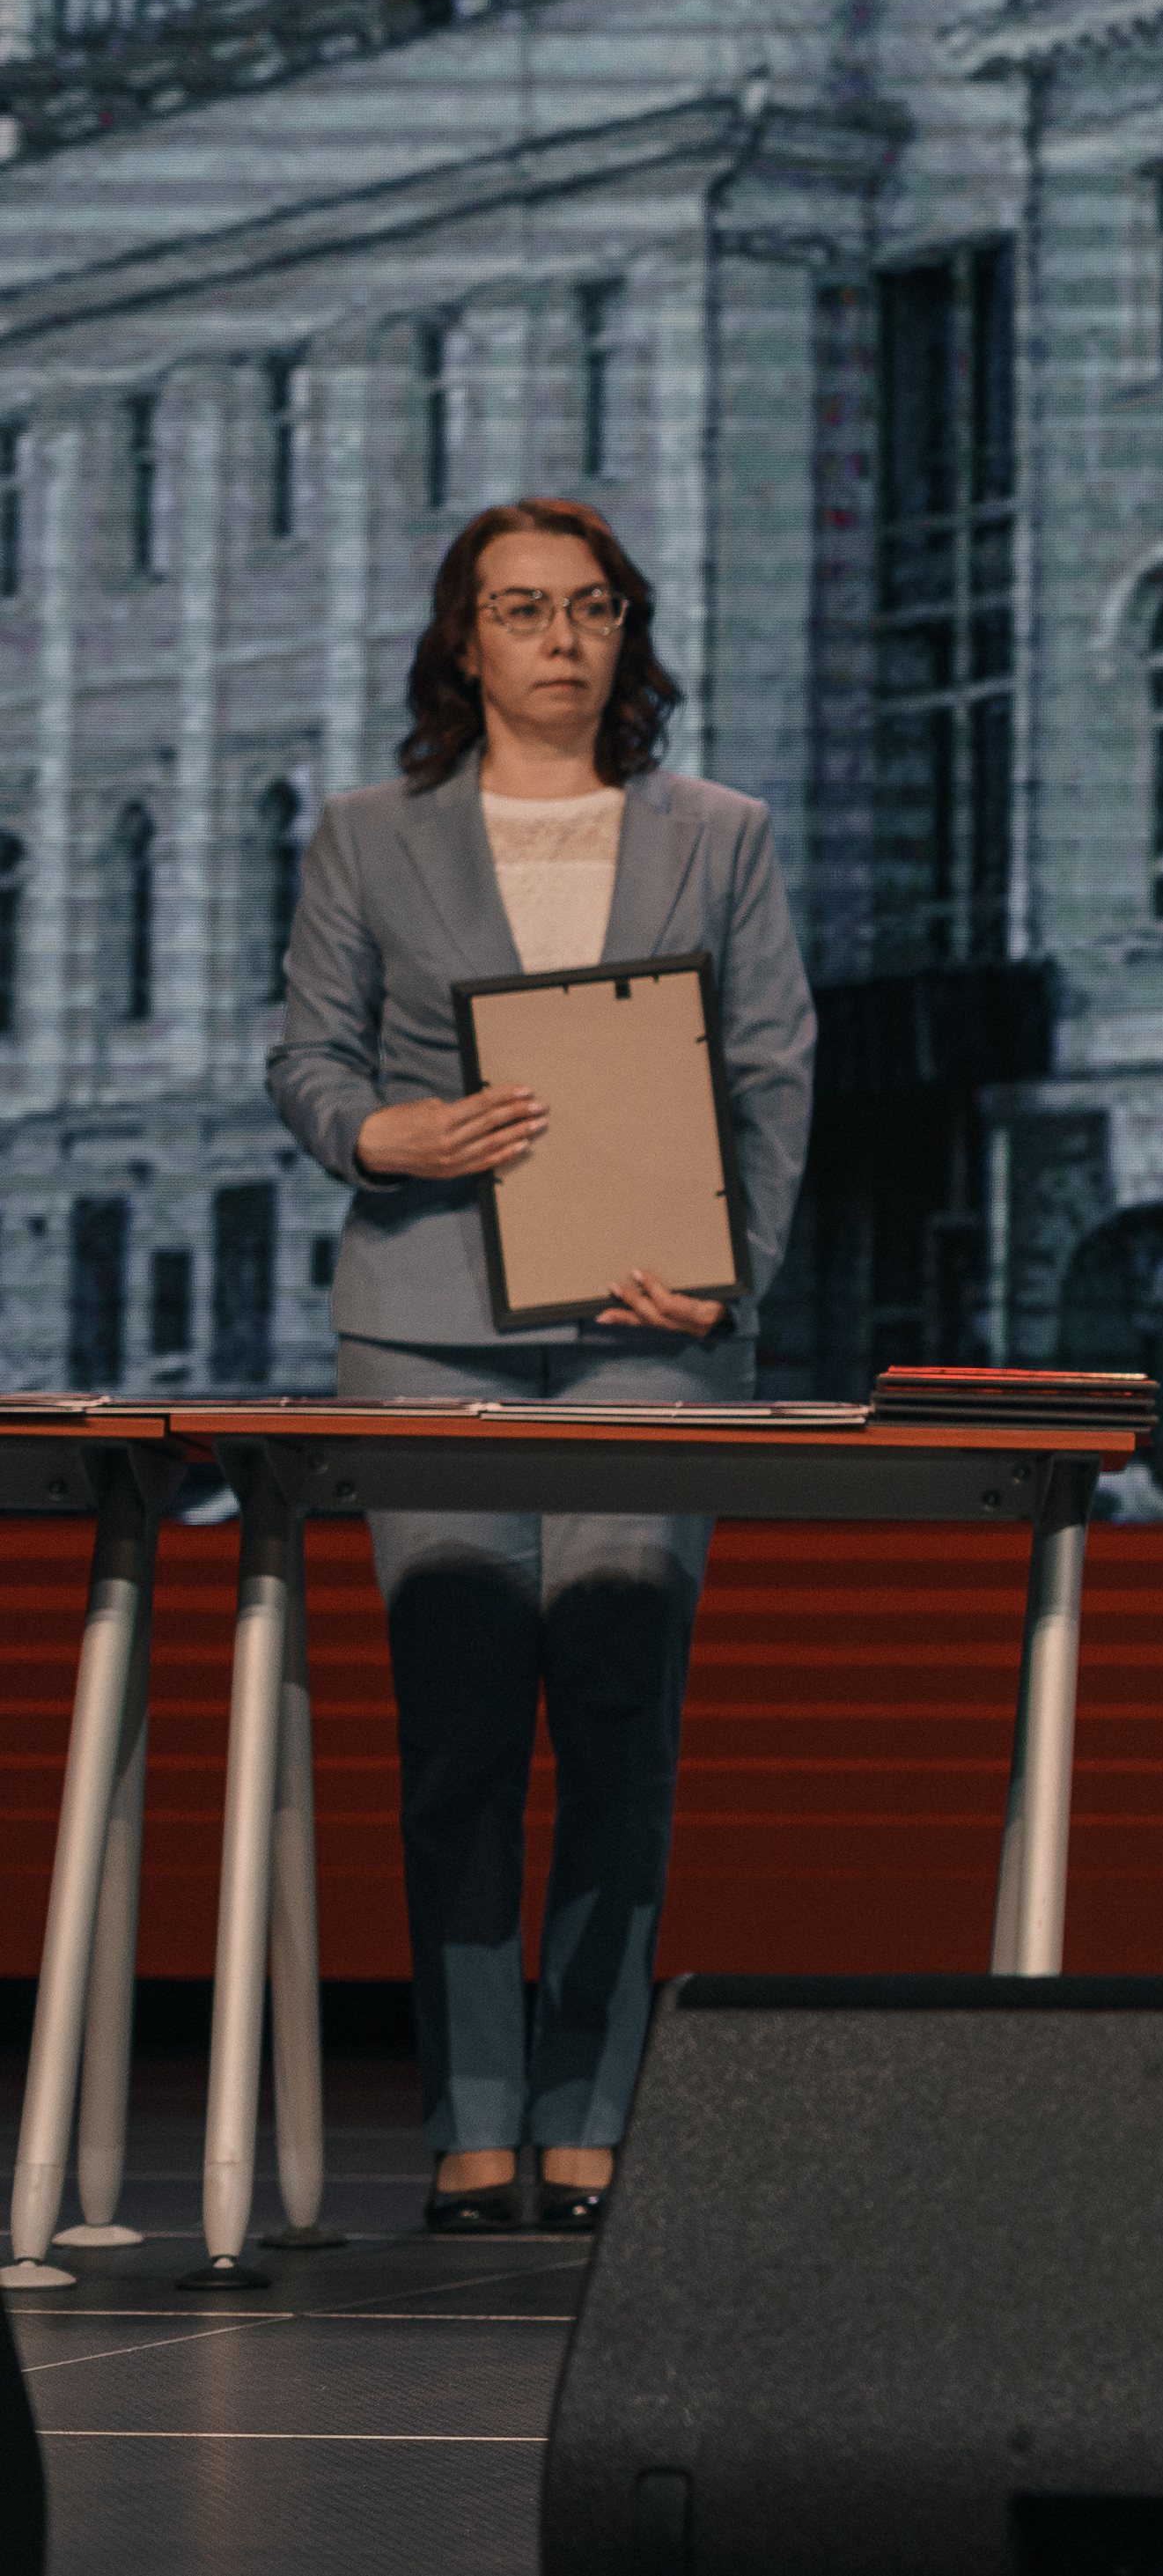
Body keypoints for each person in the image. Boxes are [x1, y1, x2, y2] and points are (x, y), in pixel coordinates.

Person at [267, 498, 814, 2233]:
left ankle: (590, 2110)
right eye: (520, 609)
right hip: (424, 1326)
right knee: (458, 1721)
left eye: (589, 608)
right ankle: (472, 2115)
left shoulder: (720, 833)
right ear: (466, 641)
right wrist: (388, 1133)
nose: (557, 638)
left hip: (646, 1332)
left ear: (626, 636)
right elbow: (306, 1060)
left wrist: (725, 1283)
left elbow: (777, 1070)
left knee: (618, 1703)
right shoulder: (368, 835)